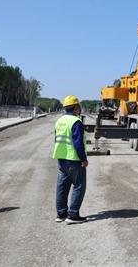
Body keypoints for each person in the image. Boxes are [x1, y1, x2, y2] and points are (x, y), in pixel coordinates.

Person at [52, 95, 88, 224]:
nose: (80, 109)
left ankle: (61, 214)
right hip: (74, 159)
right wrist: (83, 159)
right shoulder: (76, 122)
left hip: (61, 158)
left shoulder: (59, 121)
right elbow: (78, 143)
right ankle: (73, 215)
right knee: (79, 186)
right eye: (79, 107)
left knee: (62, 186)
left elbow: (57, 139)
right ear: (75, 108)